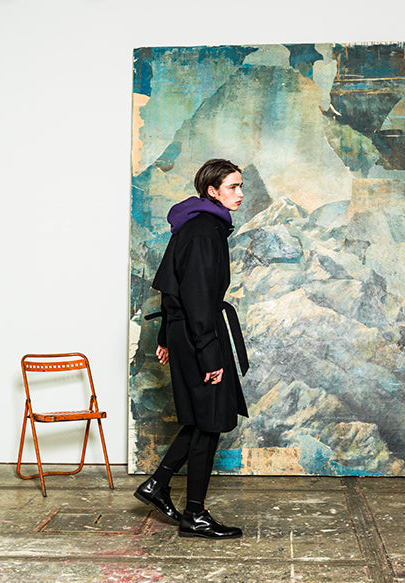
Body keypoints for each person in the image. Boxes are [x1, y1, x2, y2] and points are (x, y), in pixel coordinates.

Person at [134, 159, 249, 539]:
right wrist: (209, 355)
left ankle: (159, 485)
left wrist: (167, 336)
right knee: (210, 421)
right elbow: (197, 297)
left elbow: (173, 289)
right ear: (212, 191)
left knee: (204, 419)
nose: (240, 193)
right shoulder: (203, 232)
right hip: (201, 334)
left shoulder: (197, 226)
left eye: (241, 186)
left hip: (189, 333)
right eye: (233, 187)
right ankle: (194, 514)